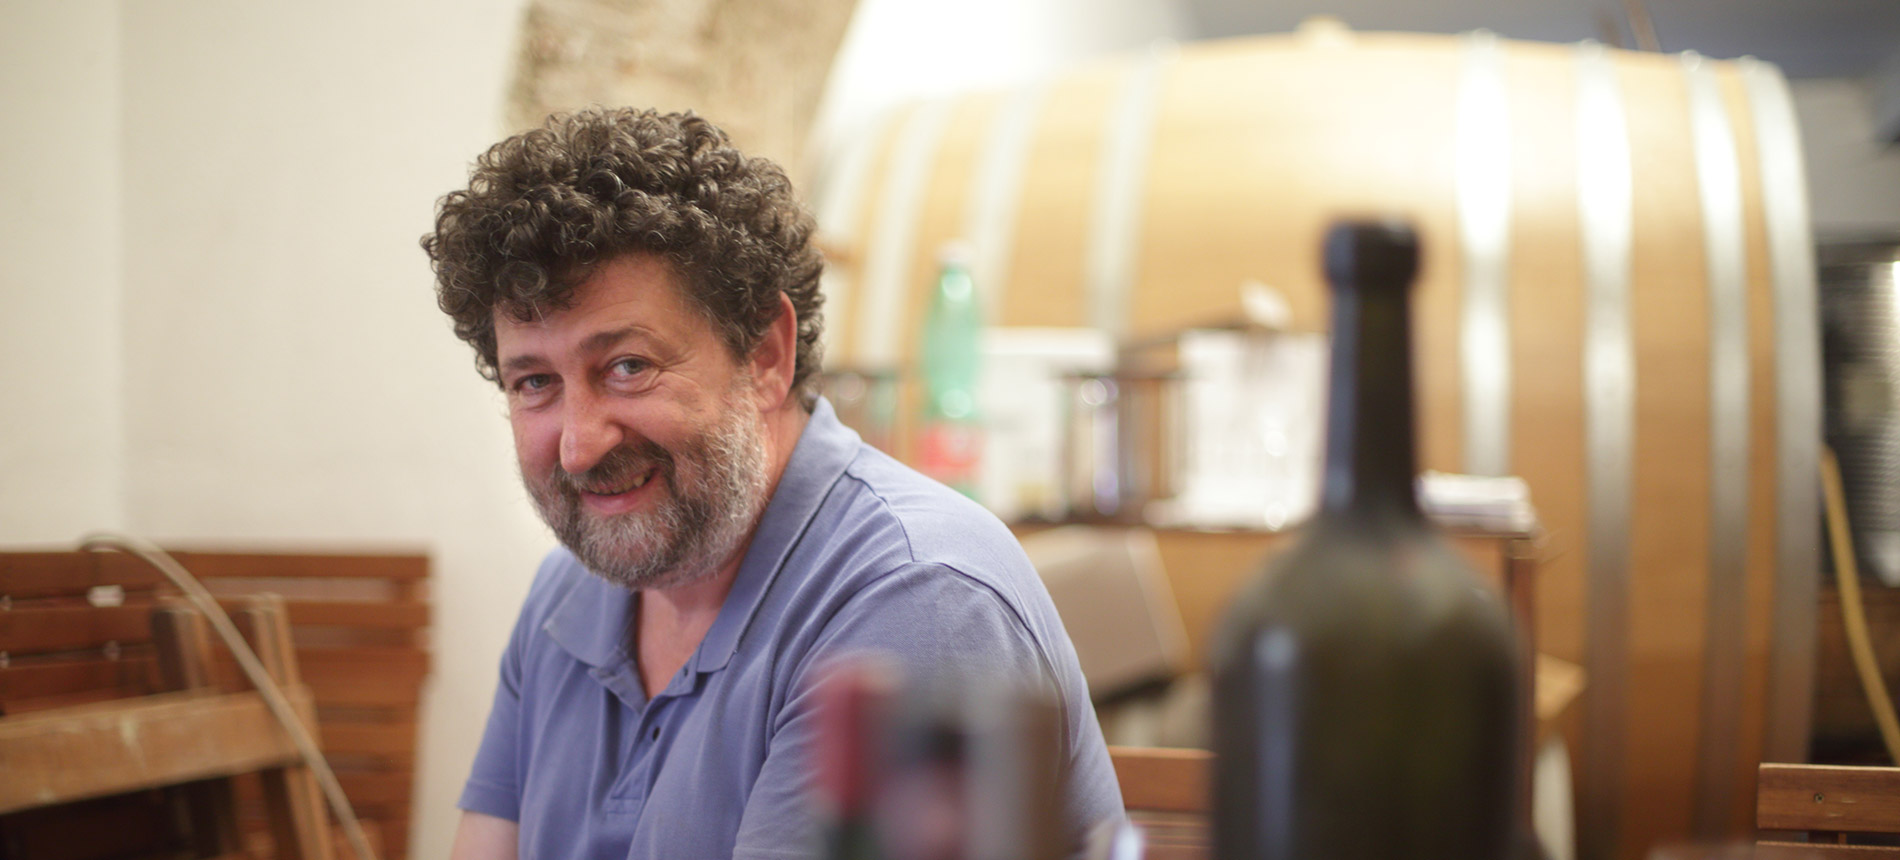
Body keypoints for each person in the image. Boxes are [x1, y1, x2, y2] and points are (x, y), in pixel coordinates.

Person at [422, 107, 1123, 860]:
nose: (579, 445)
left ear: (765, 355)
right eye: (534, 382)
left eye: (628, 366)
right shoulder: (568, 597)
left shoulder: (920, 598)